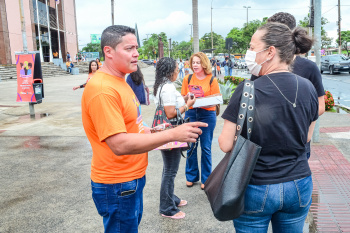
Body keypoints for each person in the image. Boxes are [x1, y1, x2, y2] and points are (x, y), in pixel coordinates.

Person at [81, 25, 207, 233]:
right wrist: (172, 134)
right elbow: (119, 144)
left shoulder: (121, 81)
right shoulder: (103, 89)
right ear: (108, 52)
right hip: (118, 183)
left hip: (131, 179)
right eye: (129, 48)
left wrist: (155, 131)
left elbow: (133, 127)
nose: (136, 53)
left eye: (136, 48)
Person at [219, 23, 318, 232]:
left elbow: (225, 144)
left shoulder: (248, 89)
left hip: (256, 186)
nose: (249, 54)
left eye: (253, 48)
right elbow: (307, 136)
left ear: (270, 51)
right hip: (299, 184)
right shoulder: (308, 87)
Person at [254, 12, 326, 159]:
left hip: (298, 142)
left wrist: (302, 126)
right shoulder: (260, 66)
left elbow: (320, 106)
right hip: (266, 142)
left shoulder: (309, 68)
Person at [153, 57, 196, 219]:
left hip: (165, 130)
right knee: (170, 171)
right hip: (172, 130)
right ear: (170, 71)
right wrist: (188, 105)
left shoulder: (161, 85)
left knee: (168, 168)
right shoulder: (169, 87)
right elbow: (171, 113)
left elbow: (168, 107)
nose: (179, 71)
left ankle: (171, 198)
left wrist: (183, 100)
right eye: (177, 68)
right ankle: (166, 208)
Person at [181, 52, 220, 190]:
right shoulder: (187, 78)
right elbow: (183, 98)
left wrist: (203, 101)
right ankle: (191, 176)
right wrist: (187, 98)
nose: (195, 65)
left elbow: (217, 98)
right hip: (191, 113)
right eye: (193, 62)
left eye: (198, 62)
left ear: (204, 64)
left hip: (207, 114)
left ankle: (206, 179)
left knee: (206, 148)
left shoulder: (211, 79)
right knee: (191, 146)